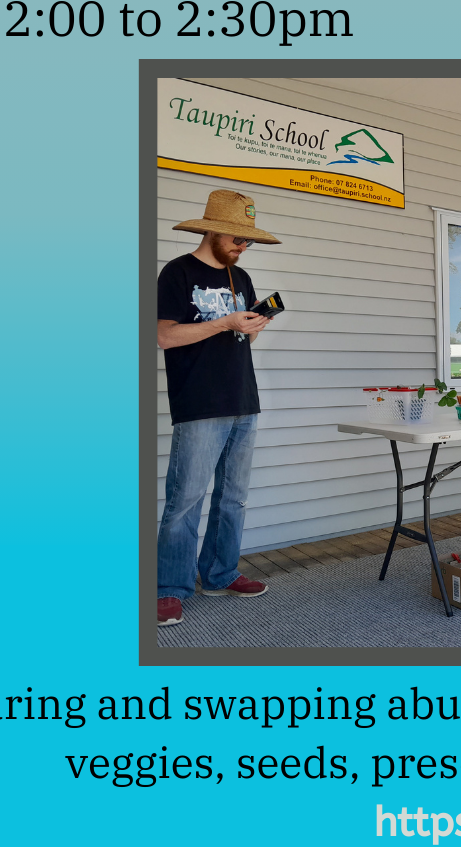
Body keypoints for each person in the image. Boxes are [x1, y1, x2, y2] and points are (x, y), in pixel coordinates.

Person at [156, 189, 281, 627]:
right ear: (212, 229)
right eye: (236, 239)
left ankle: (220, 573)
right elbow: (166, 337)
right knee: (185, 499)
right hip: (199, 403)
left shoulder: (240, 278)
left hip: (243, 400)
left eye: (247, 242)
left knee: (234, 499)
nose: (242, 247)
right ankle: (169, 588)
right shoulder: (177, 273)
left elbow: (240, 338)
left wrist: (253, 325)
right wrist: (225, 321)